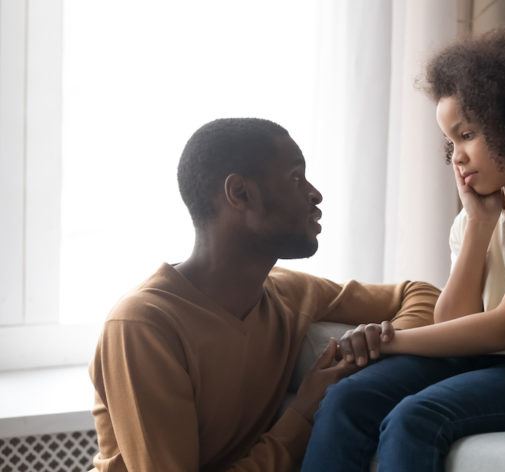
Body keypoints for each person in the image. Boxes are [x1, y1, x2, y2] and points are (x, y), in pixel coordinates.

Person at [301, 23, 505, 472]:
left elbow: (502, 330)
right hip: (481, 362)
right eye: (450, 141)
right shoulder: (478, 216)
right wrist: (478, 224)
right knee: (348, 397)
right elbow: (455, 322)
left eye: (468, 134)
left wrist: (390, 340)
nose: (456, 156)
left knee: (416, 418)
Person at [88, 118, 439, 471]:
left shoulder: (289, 293)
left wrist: (385, 346)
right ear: (240, 194)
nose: (315, 194)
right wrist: (302, 414)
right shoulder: (143, 325)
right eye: (296, 178)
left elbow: (420, 293)